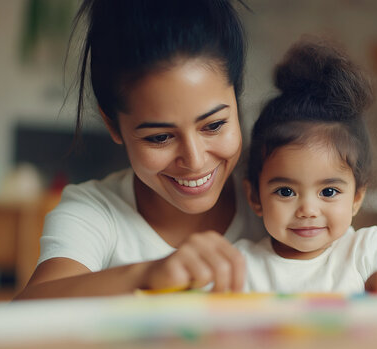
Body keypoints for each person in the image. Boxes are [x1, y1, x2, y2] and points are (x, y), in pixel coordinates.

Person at [15, 0, 265, 300]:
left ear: (237, 101)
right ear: (113, 125)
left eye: (213, 126)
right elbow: (26, 308)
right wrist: (144, 274)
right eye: (160, 137)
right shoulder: (94, 212)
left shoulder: (281, 198)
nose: (195, 161)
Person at [235, 38, 377, 295]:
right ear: (255, 196)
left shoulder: (367, 254)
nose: (308, 210)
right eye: (286, 191)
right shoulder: (241, 267)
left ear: (357, 197)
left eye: (329, 192)